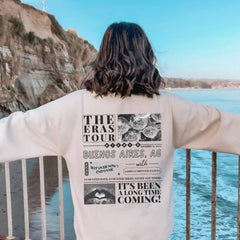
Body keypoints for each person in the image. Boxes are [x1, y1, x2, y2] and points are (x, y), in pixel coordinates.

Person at [0, 22, 239, 240]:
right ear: (147, 57)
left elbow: (13, 130)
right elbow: (223, 125)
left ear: (101, 58)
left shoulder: (72, 108)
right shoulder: (170, 107)